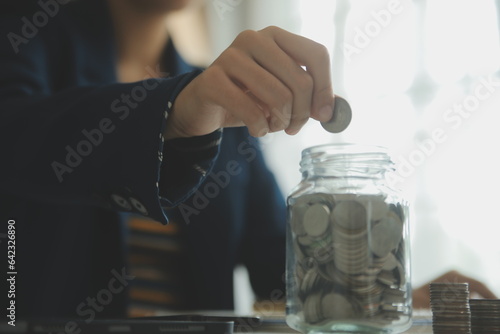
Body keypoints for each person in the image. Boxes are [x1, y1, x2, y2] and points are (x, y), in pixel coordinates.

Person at [0, 0, 495, 321]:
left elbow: (288, 281)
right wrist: (175, 110)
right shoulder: (20, 33)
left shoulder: (220, 100)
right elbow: (16, 136)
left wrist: (389, 302)